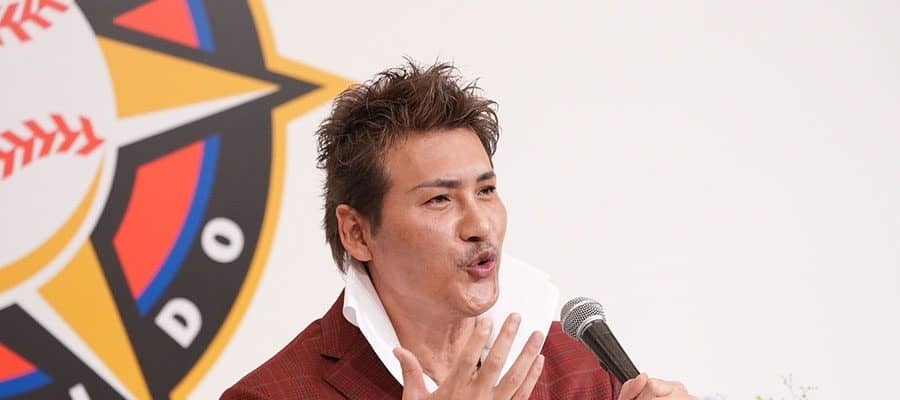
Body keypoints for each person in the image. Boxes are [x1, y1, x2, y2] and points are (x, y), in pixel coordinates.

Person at [221, 61, 696, 400]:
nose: (480, 225)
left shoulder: (580, 369)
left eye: (486, 190)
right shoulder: (271, 395)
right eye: (440, 199)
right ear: (357, 233)